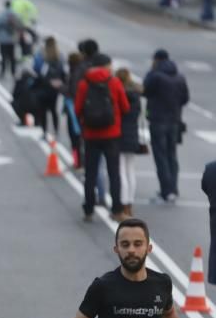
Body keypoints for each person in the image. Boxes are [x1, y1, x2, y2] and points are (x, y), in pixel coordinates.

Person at [75, 53, 129, 222]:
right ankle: (117, 210)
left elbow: (77, 109)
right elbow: (125, 107)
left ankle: (89, 209)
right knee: (114, 173)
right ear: (105, 66)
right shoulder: (114, 82)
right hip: (112, 135)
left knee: (90, 173)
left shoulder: (84, 83)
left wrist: (85, 123)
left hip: (91, 135)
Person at [143, 49, 189, 205]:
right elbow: (185, 98)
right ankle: (173, 189)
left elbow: (145, 90)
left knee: (160, 156)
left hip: (158, 120)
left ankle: (166, 191)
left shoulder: (155, 76)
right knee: (172, 156)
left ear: (156, 60)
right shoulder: (179, 76)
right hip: (175, 121)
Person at [116, 69, 143, 218]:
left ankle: (123, 203)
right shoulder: (136, 95)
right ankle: (130, 203)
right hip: (133, 133)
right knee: (130, 170)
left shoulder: (120, 94)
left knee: (120, 171)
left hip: (119, 133)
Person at [32, 36, 66, 138]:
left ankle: (44, 131)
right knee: (53, 109)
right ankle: (56, 131)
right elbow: (63, 71)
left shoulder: (41, 55)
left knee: (43, 110)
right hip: (54, 88)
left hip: (43, 86)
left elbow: (36, 68)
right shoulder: (59, 55)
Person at [0, 1, 19, 80]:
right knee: (12, 56)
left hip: (3, 40)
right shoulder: (15, 14)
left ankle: (2, 72)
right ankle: (13, 72)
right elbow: (20, 24)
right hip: (12, 39)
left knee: (3, 56)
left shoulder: (1, 15)